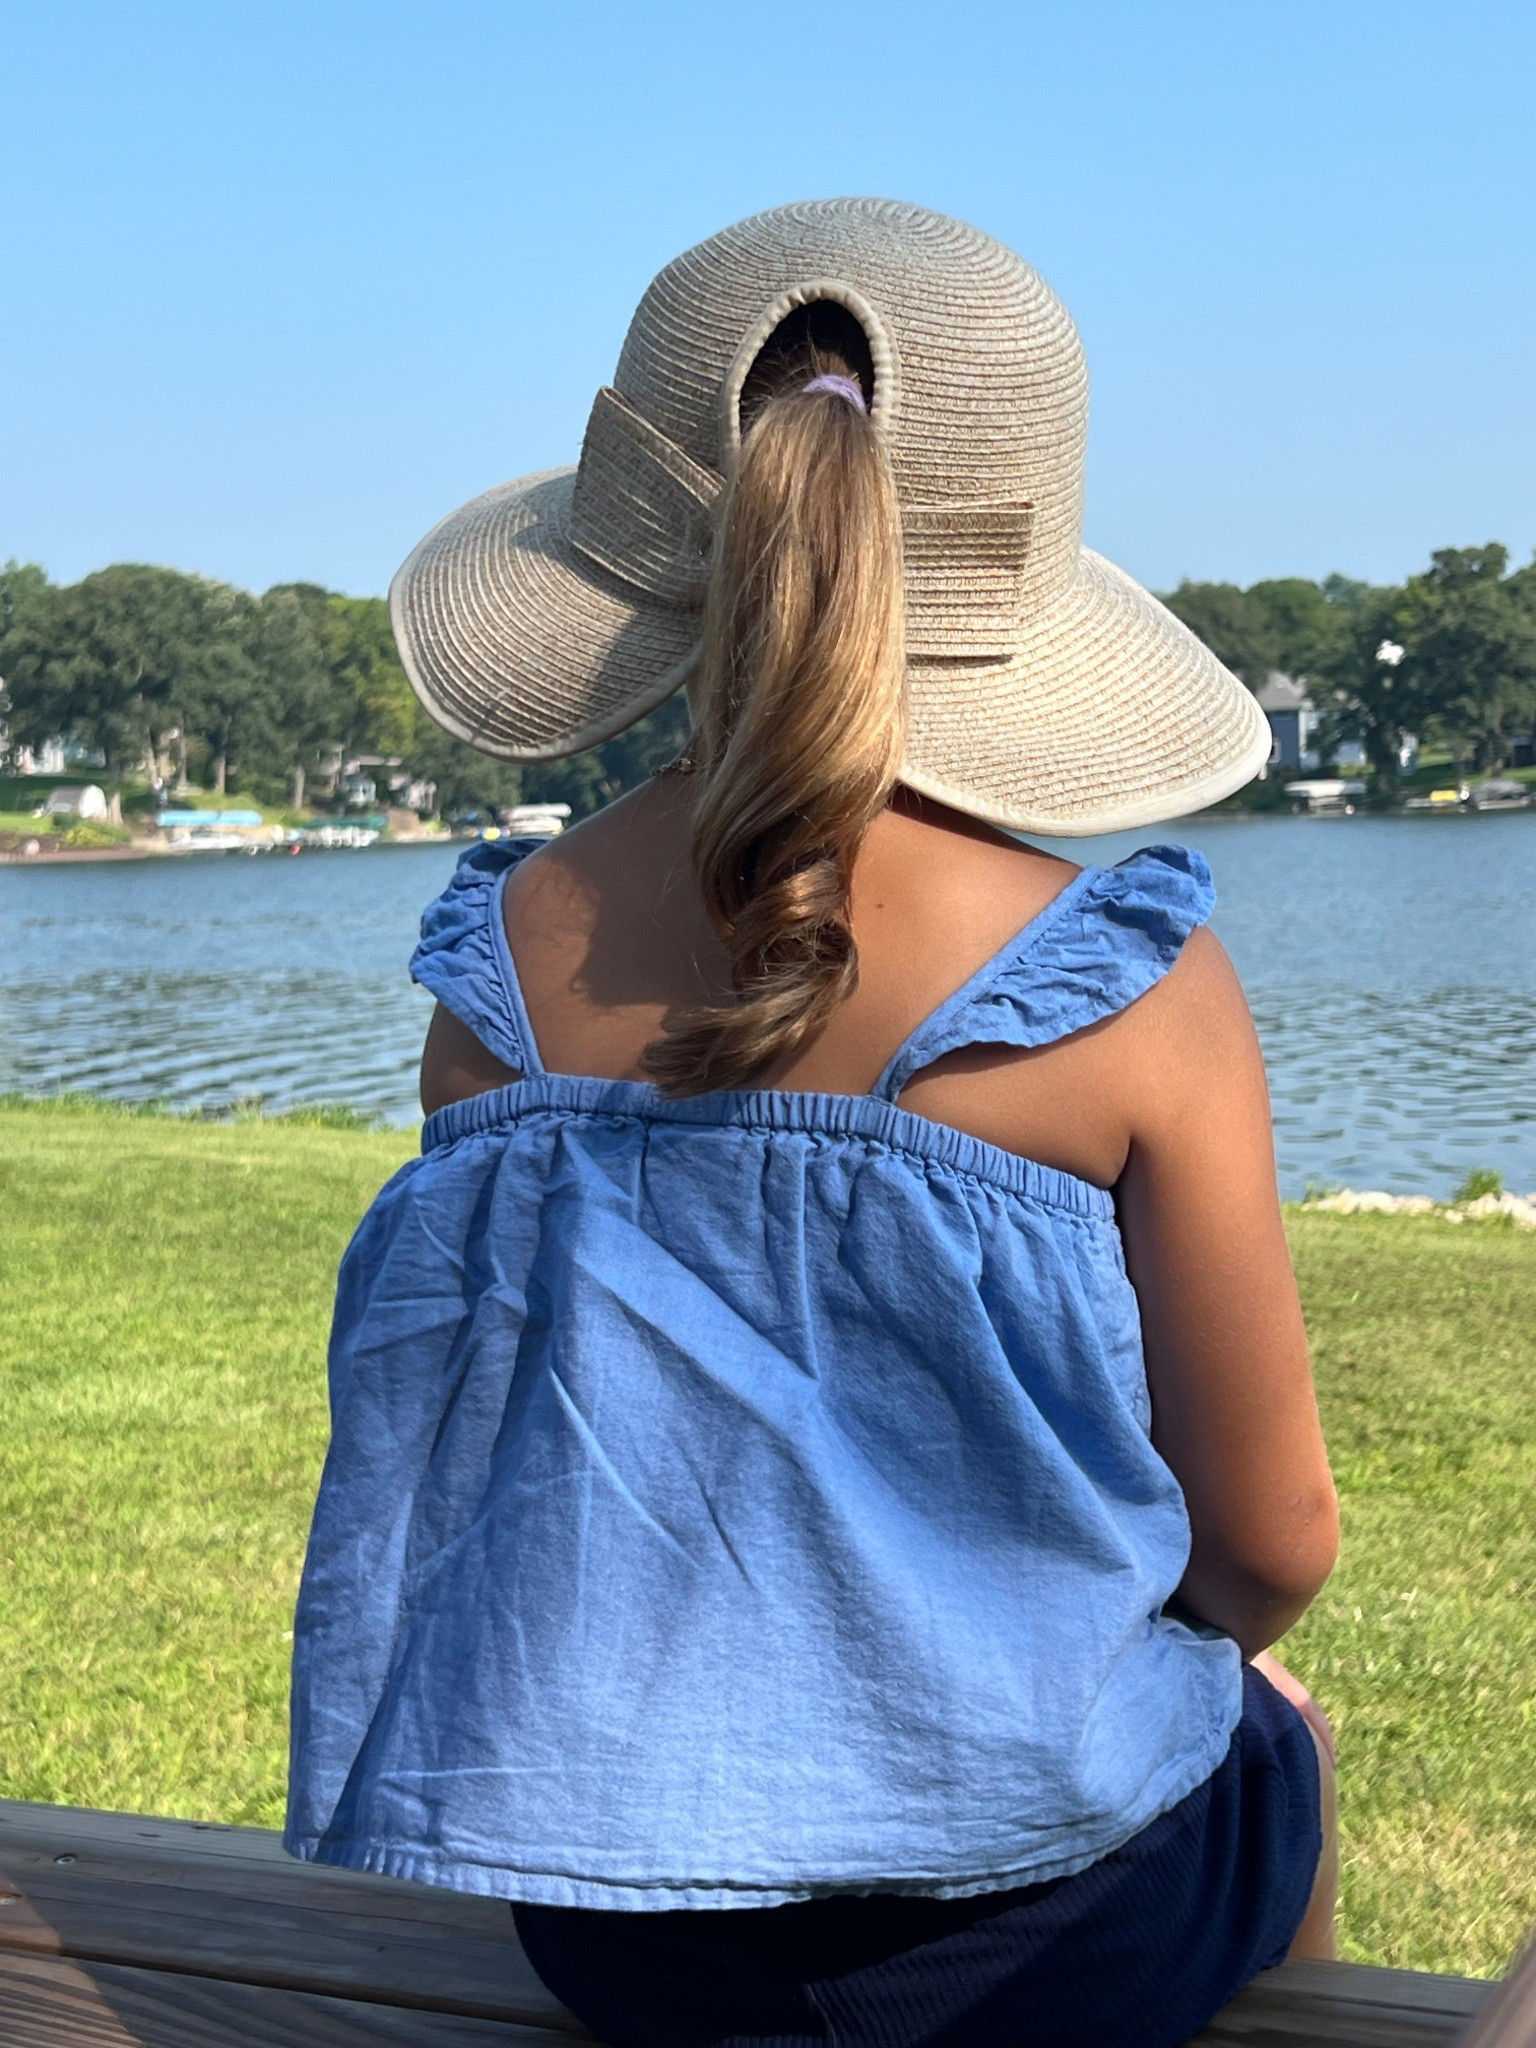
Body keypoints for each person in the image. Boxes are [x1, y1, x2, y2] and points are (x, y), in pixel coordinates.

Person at [285, 199, 1339, 2048]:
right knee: (1280, 1740)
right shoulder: (1122, 980)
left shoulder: (500, 981)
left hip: (619, 1938)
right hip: (1041, 1940)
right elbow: (1270, 1549)